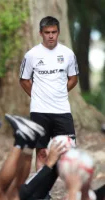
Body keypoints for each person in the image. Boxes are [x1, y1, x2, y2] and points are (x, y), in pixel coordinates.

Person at [19, 16, 79, 171]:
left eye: (54, 32)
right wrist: (38, 95)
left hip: (62, 110)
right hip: (40, 111)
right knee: (42, 153)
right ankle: (43, 193)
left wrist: (59, 92)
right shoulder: (31, 55)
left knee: (69, 151)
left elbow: (73, 78)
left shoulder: (68, 54)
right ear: (41, 33)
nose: (51, 36)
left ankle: (71, 191)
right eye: (47, 32)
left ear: (58, 32)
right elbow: (24, 80)